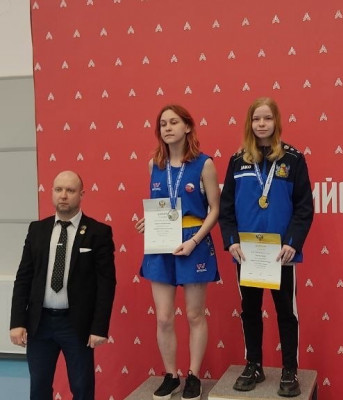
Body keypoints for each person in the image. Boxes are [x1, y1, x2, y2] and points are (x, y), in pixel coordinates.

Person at [219, 97, 314, 397]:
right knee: (250, 310)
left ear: (276, 122)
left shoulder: (293, 159)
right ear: (249, 123)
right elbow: (226, 208)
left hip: (281, 254)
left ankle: (289, 370)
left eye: (267, 118)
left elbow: (304, 207)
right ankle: (254, 365)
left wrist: (292, 243)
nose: (262, 124)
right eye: (256, 118)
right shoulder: (237, 161)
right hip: (247, 254)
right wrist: (232, 242)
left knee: (286, 312)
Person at [135, 104, 220, 400]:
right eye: (163, 124)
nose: (167, 128)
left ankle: (194, 376)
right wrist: (149, 221)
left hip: (193, 242)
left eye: (173, 122)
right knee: (163, 317)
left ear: (187, 126)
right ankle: (171, 375)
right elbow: (160, 206)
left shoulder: (204, 164)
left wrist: (194, 241)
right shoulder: (154, 165)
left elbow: (215, 209)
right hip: (161, 244)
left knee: (195, 314)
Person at [10, 170, 116, 400]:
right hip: (40, 323)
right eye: (58, 189)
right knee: (38, 389)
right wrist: (17, 322)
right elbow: (23, 278)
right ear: (52, 192)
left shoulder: (98, 232)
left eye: (70, 190)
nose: (64, 195)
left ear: (82, 194)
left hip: (76, 325)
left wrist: (99, 327)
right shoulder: (37, 229)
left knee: (82, 388)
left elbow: (106, 284)